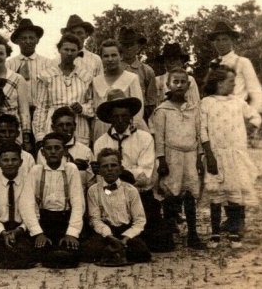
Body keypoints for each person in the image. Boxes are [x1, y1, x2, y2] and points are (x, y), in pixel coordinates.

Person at [93, 91, 168, 253]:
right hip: (111, 197)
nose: (120, 120)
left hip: (140, 195)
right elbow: (102, 176)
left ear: (131, 116)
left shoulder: (144, 138)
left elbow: (145, 175)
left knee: (162, 243)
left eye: (124, 116)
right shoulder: (101, 142)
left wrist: (117, 173)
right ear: (109, 118)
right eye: (116, 116)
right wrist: (118, 175)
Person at [200, 66, 262, 249]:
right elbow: (203, 130)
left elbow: (255, 117)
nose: (234, 84)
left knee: (235, 191)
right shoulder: (207, 103)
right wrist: (209, 155)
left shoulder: (238, 102)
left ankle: (234, 233)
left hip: (235, 153)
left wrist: (250, 128)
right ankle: (215, 234)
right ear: (220, 83)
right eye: (231, 81)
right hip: (216, 154)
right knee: (215, 194)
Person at [149, 68, 205, 249]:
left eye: (183, 82)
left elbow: (199, 134)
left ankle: (193, 234)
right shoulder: (162, 110)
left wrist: (199, 157)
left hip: (190, 155)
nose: (179, 85)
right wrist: (161, 159)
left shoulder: (194, 109)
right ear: (168, 85)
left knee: (190, 194)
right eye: (176, 82)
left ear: (189, 85)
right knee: (170, 195)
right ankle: (168, 235)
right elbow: (159, 138)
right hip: (171, 156)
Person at [25, 133, 84, 269]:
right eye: (49, 148)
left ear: (64, 151)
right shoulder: (36, 171)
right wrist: (38, 233)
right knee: (34, 251)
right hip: (44, 221)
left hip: (65, 220)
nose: (53, 152)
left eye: (57, 148)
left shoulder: (71, 169)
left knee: (70, 253)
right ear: (43, 152)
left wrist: (72, 233)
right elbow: (27, 204)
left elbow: (78, 203)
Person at [82, 148, 151, 265]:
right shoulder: (93, 191)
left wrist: (126, 238)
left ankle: (116, 251)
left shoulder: (130, 190)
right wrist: (109, 235)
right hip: (105, 232)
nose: (109, 169)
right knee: (88, 251)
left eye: (113, 165)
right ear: (100, 170)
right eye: (105, 166)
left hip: (125, 230)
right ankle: (116, 252)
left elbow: (140, 220)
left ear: (120, 168)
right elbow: (95, 219)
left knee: (142, 252)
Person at [0, 143, 36, 268]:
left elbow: (34, 213)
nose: (10, 163)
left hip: (21, 229)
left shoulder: (29, 183)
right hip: (0, 229)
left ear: (21, 162)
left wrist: (19, 230)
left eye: (14, 159)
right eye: (5, 160)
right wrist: (3, 232)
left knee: (24, 248)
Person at [33, 34, 94, 146]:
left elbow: (92, 104)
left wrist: (82, 108)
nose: (69, 53)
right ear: (59, 50)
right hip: (53, 124)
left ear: (78, 52)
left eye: (73, 50)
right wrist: (40, 135)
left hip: (78, 125)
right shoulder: (46, 76)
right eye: (66, 49)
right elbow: (41, 108)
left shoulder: (86, 76)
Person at [91, 39, 148, 142]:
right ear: (101, 58)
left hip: (126, 127)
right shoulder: (96, 80)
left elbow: (139, 109)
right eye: (106, 56)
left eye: (114, 55)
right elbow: (95, 107)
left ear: (120, 56)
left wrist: (132, 126)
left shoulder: (131, 78)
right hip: (102, 128)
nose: (110, 59)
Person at [207, 20, 262, 115]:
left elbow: (257, 93)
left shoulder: (243, 62)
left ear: (232, 41)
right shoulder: (213, 64)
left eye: (225, 39)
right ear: (214, 43)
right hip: (216, 114)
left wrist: (250, 118)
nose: (221, 43)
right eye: (218, 40)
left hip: (237, 113)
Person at [6, 18, 51, 121]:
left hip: (41, 113)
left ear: (37, 40)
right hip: (17, 114)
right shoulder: (9, 64)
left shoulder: (48, 64)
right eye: (24, 38)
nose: (28, 41)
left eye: (31, 38)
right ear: (17, 41)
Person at [36, 107, 93, 187]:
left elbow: (91, 183)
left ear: (75, 126)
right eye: (60, 125)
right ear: (53, 127)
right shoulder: (44, 152)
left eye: (68, 125)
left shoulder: (85, 151)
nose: (65, 129)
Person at [0, 115, 36, 188]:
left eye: (11, 131)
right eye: (3, 132)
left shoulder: (28, 158)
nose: (7, 135)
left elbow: (32, 186)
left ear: (17, 134)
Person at [117, 27, 158, 120]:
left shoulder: (147, 71)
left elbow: (151, 101)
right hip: (117, 116)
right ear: (120, 47)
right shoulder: (114, 69)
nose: (128, 48)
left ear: (138, 47)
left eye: (131, 44)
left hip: (140, 116)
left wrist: (141, 116)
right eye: (125, 45)